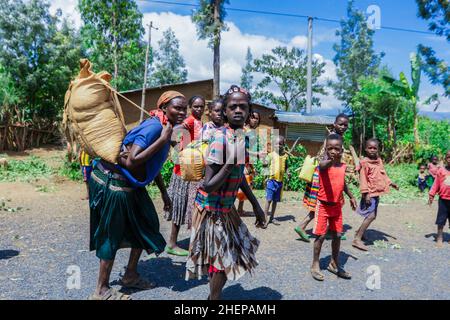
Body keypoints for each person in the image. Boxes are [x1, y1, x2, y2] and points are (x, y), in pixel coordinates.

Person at [88, 91, 187, 300]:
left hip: (131, 183)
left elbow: (153, 164)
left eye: (183, 108)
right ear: (164, 108)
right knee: (111, 233)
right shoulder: (155, 128)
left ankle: (130, 275)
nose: (182, 111)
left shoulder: (164, 128)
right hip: (116, 182)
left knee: (147, 221)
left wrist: (164, 194)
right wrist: (163, 139)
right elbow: (133, 161)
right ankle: (101, 289)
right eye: (177, 107)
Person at [185, 85, 266, 300]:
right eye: (233, 107)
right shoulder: (221, 138)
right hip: (212, 210)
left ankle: (214, 296)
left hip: (226, 208)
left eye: (243, 106)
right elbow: (208, 185)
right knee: (223, 259)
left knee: (224, 256)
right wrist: (230, 162)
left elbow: (239, 178)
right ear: (226, 111)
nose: (238, 110)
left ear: (249, 111)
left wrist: (256, 206)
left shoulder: (240, 137)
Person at [295, 113, 356, 242]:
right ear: (334, 124)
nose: (343, 126)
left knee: (327, 204)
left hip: (329, 173)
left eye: (345, 125)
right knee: (323, 203)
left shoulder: (337, 137)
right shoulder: (332, 138)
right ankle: (303, 226)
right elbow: (325, 159)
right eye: (340, 124)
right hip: (325, 174)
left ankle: (328, 230)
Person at [310, 134, 357, 281]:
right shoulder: (323, 164)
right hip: (323, 205)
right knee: (321, 236)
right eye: (330, 148)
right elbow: (323, 166)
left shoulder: (342, 166)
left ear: (341, 150)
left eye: (336, 148)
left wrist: (351, 196)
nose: (333, 151)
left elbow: (343, 184)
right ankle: (315, 264)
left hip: (337, 206)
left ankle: (334, 263)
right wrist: (330, 159)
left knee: (337, 235)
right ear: (325, 149)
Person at [164, 96, 206, 256]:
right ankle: (172, 243)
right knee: (180, 205)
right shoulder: (189, 121)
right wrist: (180, 152)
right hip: (183, 171)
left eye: (201, 106)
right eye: (195, 106)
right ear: (190, 107)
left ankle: (193, 242)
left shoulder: (200, 123)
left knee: (192, 206)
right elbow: (174, 132)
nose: (199, 109)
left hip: (193, 171)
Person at [352, 139, 399, 251]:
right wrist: (366, 193)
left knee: (371, 215)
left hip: (376, 192)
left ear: (378, 149)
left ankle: (360, 233)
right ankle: (357, 239)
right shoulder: (364, 162)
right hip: (369, 193)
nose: (372, 150)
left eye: (375, 148)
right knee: (371, 216)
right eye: (370, 148)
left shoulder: (378, 161)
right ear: (365, 148)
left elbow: (383, 174)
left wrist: (390, 183)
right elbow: (363, 178)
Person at [237, 110, 261, 215]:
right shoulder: (243, 130)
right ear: (248, 118)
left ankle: (240, 209)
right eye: (253, 117)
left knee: (245, 185)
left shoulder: (253, 133)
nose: (255, 120)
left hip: (248, 162)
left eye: (257, 119)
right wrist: (256, 154)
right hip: (241, 161)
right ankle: (231, 209)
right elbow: (240, 148)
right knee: (237, 185)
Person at [263, 135, 289, 228]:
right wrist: (265, 177)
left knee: (275, 201)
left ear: (284, 145)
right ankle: (264, 218)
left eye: (280, 144)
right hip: (271, 180)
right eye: (277, 144)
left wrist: (288, 173)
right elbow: (265, 165)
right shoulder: (270, 155)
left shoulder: (285, 156)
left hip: (280, 182)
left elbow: (286, 167)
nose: (278, 146)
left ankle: (272, 217)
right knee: (268, 200)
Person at [428, 150, 450, 247]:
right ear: (446, 158)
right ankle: (440, 237)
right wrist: (431, 195)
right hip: (443, 200)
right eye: (448, 157)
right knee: (441, 219)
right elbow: (436, 183)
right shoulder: (441, 170)